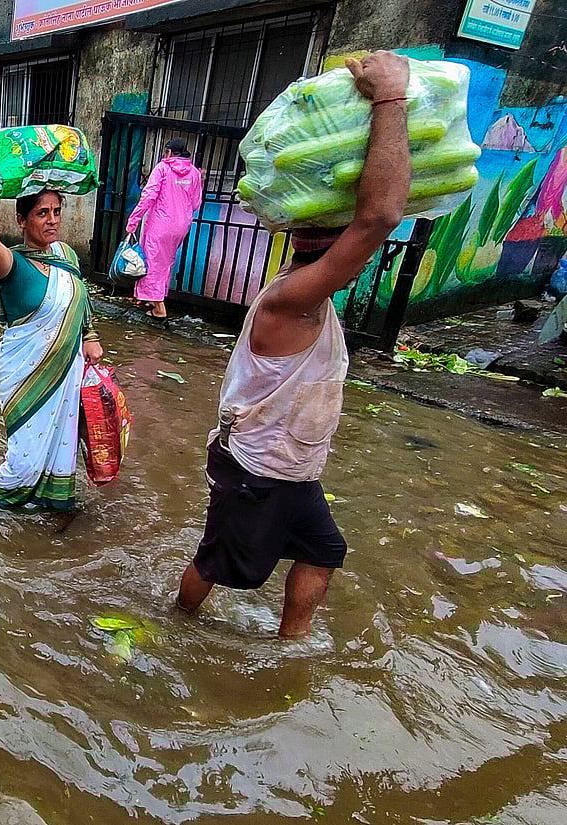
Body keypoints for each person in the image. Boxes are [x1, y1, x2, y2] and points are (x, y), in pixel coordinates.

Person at [174, 51, 413, 639]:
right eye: (350, 241)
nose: (364, 253)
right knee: (219, 562)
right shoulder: (292, 301)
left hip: (293, 469)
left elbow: (370, 221)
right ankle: (178, 626)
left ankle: (292, 644)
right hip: (258, 471)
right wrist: (390, 97)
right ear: (335, 241)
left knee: (325, 549)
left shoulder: (310, 299)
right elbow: (380, 213)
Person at [0, 184, 105, 515]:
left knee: (61, 441)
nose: (52, 220)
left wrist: (90, 334)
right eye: (41, 213)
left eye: (56, 211)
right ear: (21, 220)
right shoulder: (14, 266)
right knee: (25, 454)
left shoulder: (65, 254)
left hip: (67, 368)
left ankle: (49, 502)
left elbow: (79, 296)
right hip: (27, 372)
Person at [125, 137, 204, 318]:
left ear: (168, 152)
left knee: (152, 261)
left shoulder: (163, 168)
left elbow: (148, 196)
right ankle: (151, 298)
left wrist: (133, 220)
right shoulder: (194, 173)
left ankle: (159, 308)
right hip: (181, 225)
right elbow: (196, 203)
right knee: (166, 262)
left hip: (160, 223)